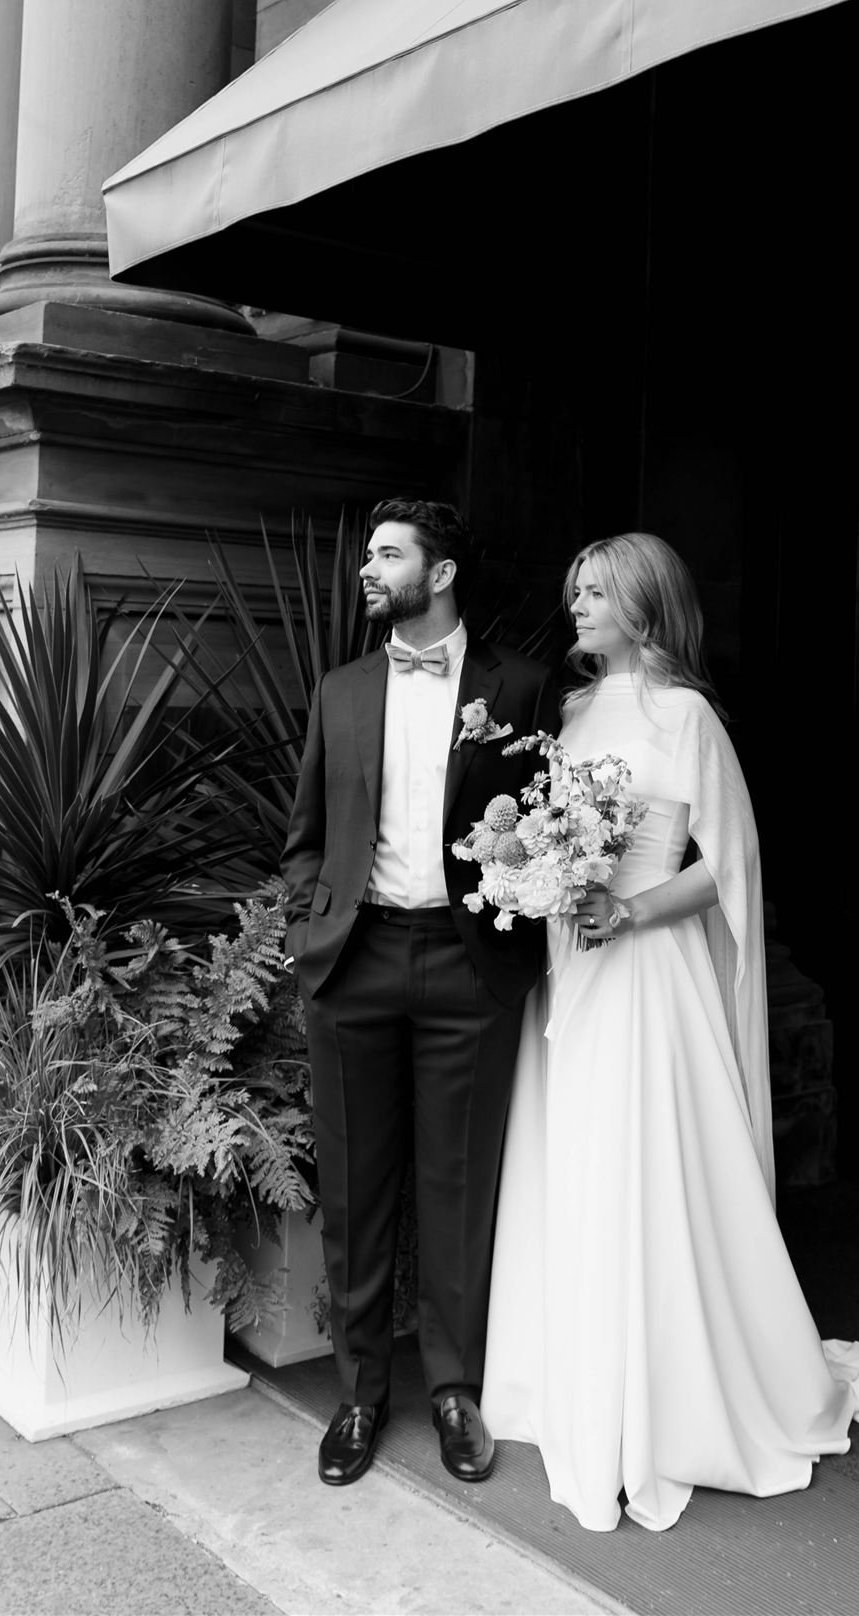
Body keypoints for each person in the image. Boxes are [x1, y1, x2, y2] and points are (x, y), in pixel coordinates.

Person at [481, 531, 859, 1533]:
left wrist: (629, 910)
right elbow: (548, 837)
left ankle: (670, 1394)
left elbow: (729, 864)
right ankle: (584, 1377)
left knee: (649, 1168)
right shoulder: (570, 711)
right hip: (574, 976)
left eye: (596, 591)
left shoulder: (686, 716)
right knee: (581, 1165)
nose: (577, 603)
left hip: (648, 972)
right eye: (574, 590)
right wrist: (533, 872)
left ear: (644, 604)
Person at [281, 498, 560, 1488]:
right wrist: (306, 925)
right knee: (356, 1190)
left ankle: (453, 1386)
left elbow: (551, 822)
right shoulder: (341, 687)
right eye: (367, 552)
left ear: (438, 574)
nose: (369, 567)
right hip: (353, 963)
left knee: (456, 1185)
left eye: (388, 554)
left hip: (465, 966)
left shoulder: (519, 685)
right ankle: (358, 1394)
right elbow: (305, 832)